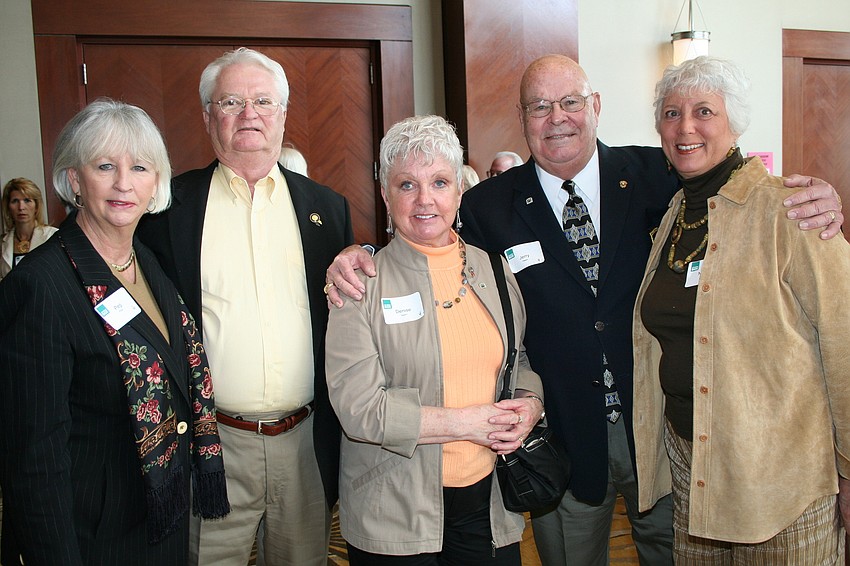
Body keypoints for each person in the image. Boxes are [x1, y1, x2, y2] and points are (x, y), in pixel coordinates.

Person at [325, 54, 843, 566]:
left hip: (662, 434)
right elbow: (430, 245)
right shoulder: (489, 205)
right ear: (523, 119)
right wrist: (363, 253)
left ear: (595, 105)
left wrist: (810, 195)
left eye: (570, 101)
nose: (557, 118)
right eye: (539, 107)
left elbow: (728, 183)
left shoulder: (658, 175)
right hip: (563, 441)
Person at [137, 47, 354, 566]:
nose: (249, 113)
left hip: (304, 444)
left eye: (263, 101)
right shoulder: (167, 209)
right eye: (231, 101)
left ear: (282, 112)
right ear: (208, 115)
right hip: (210, 447)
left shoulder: (327, 207)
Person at [632, 55, 850, 564]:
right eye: (671, 113)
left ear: (734, 123)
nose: (685, 126)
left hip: (781, 482)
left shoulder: (790, 210)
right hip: (693, 469)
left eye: (703, 111)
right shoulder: (673, 216)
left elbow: (844, 342)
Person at [0, 99, 229, 565]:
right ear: (74, 181)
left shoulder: (145, 261)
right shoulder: (41, 284)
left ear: (156, 183)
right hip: (92, 535)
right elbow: (34, 458)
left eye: (140, 167)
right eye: (105, 166)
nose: (124, 183)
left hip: (158, 517)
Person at [325, 114, 544, 565]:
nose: (425, 199)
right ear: (386, 195)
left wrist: (530, 406)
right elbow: (360, 411)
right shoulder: (360, 282)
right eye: (407, 185)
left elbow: (517, 362)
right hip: (395, 508)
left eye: (440, 182)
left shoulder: (493, 270)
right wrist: (469, 424)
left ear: (459, 191)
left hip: (489, 505)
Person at [0, 177, 58, 278]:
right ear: (8, 207)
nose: (21, 207)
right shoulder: (2, 243)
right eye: (15, 201)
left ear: (36, 206)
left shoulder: (53, 236)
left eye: (27, 200)